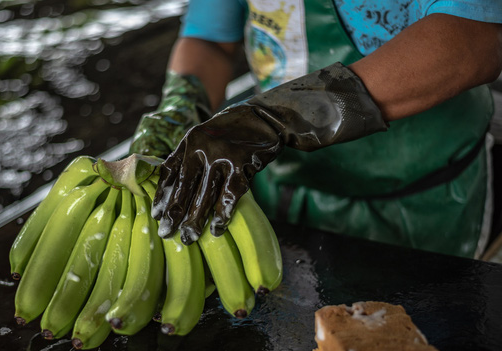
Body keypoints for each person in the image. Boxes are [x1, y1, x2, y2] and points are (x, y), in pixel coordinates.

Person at [129, 0, 502, 258]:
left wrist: (276, 116)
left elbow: (473, 40)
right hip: (289, 185)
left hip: (430, 196)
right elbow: (209, 39)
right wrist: (182, 106)